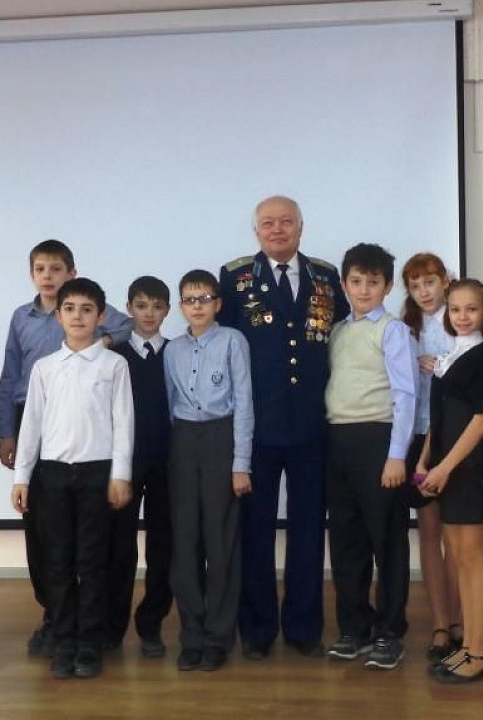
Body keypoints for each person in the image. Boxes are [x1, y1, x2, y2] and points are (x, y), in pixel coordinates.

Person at [218, 195, 348, 660]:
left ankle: (303, 627)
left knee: (308, 529)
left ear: (301, 227)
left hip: (313, 424)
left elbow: (342, 338)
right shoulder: (235, 277)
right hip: (257, 426)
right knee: (255, 531)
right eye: (268, 223)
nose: (277, 230)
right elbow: (224, 343)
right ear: (256, 231)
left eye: (286, 222)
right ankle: (256, 630)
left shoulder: (326, 277)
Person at [0, 239, 132, 656]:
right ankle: (57, 625)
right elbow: (13, 382)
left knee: (92, 553)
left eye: (56, 269)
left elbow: (126, 328)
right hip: (43, 442)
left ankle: (90, 635)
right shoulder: (28, 332)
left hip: (94, 456)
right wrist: (10, 440)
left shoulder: (111, 358)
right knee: (49, 547)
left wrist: (102, 343)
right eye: (41, 269)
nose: (48, 276)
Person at [324, 243, 417, 671]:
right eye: (356, 281)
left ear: (388, 286)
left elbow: (405, 394)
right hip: (338, 440)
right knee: (347, 541)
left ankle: (390, 632)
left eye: (373, 282)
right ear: (344, 284)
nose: (364, 290)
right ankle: (354, 628)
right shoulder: (338, 331)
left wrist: (397, 455)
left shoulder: (393, 330)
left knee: (387, 542)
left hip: (379, 440)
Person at [164, 269, 254, 672]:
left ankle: (218, 636)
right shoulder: (172, 350)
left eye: (204, 299)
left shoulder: (233, 340)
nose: (196, 306)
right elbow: (169, 404)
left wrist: (240, 463)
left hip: (221, 438)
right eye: (189, 299)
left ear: (217, 303)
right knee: (185, 544)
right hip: (184, 441)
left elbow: (245, 402)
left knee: (220, 543)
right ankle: (192, 635)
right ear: (180, 306)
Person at [416, 279, 483, 683]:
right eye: (455, 309)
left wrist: (445, 467)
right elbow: (439, 418)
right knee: (460, 559)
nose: (462, 317)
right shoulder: (450, 355)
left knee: (473, 558)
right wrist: (424, 460)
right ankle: (467, 646)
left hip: (470, 469)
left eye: (471, 309)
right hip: (445, 467)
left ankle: (480, 651)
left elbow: (481, 420)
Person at [399, 252, 463, 662]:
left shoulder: (460, 320)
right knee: (429, 532)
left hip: (456, 437)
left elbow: (478, 374)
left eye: (430, 282)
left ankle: (460, 620)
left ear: (445, 281)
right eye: (415, 285)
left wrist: (442, 366)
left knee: (458, 538)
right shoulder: (405, 329)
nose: (423, 292)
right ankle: (440, 623)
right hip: (418, 436)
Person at [109, 276, 175, 658]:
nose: (149, 313)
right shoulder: (114, 354)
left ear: (167, 311)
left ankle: (151, 624)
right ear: (129, 308)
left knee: (163, 547)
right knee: (119, 547)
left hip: (168, 463)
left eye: (157, 306)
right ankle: (112, 626)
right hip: (126, 464)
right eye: (141, 305)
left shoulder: (178, 353)